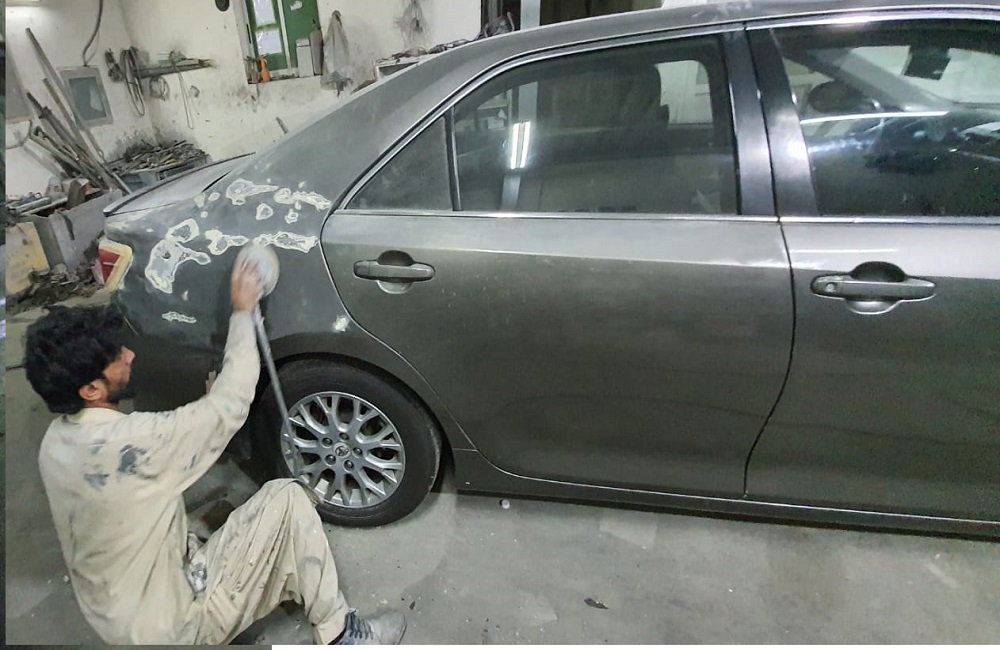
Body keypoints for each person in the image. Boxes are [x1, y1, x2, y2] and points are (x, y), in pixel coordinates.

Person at [23, 258, 406, 645]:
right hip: (176, 626)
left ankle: (263, 581)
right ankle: (341, 635)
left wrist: (204, 418)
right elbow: (232, 402)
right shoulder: (137, 442)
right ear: (91, 389)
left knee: (206, 521)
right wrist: (242, 311)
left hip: (118, 621)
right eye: (116, 358)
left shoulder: (54, 444)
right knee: (287, 498)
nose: (130, 356)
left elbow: (153, 458)